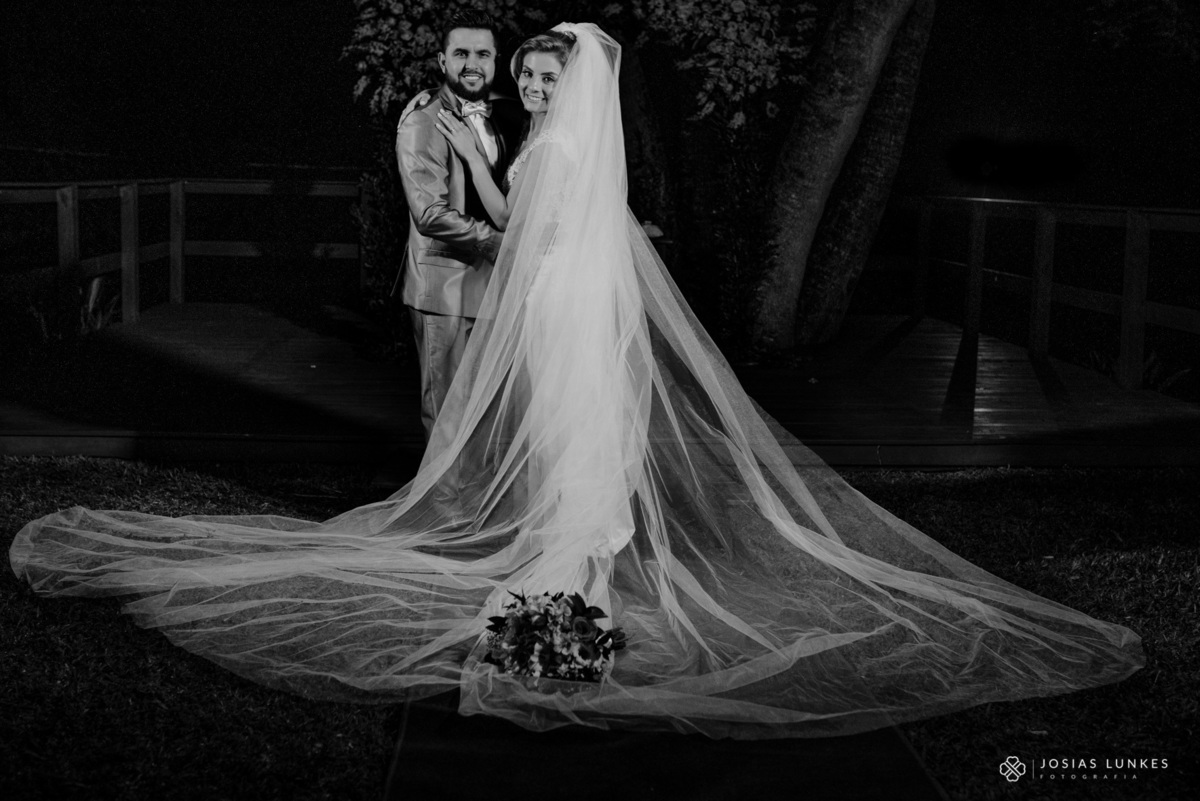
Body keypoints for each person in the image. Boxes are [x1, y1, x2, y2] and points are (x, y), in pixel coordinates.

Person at [9, 24, 1142, 740]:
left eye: (546, 73)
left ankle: (571, 571)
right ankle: (586, 555)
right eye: (528, 70)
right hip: (567, 305)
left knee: (565, 431)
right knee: (575, 432)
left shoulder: (551, 150)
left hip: (550, 304)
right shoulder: (575, 151)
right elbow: (534, 222)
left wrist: (550, 208)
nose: (531, 82)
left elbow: (518, 225)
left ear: (573, 85)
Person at [395, 10, 522, 439]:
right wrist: (503, 243)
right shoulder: (423, 118)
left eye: (482, 53)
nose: (473, 63)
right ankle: (445, 507)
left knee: (488, 418)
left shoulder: (504, 114)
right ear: (442, 61)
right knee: (448, 418)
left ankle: (478, 506)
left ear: (496, 59)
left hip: (494, 287)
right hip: (444, 287)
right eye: (462, 52)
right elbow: (429, 212)